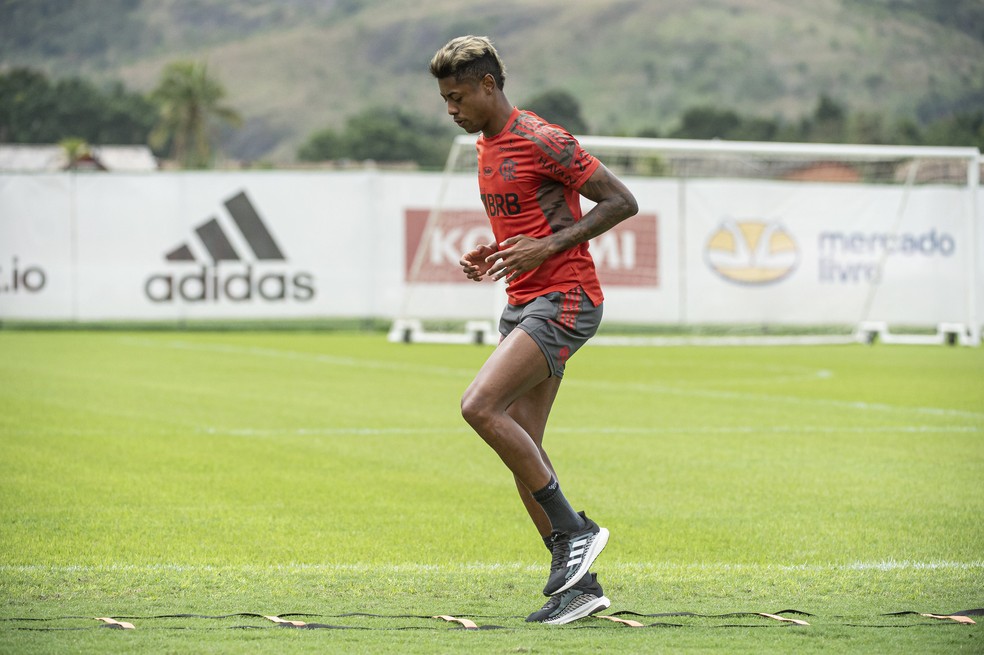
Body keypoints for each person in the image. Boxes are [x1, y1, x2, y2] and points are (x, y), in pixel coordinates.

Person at [429, 35, 639, 625]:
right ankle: (582, 586)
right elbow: (530, 219)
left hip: (565, 299)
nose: (452, 110)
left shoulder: (542, 138)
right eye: (445, 100)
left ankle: (575, 530)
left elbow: (621, 201)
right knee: (527, 451)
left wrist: (546, 247)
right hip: (524, 301)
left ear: (489, 85)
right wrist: (493, 252)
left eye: (458, 97)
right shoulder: (485, 145)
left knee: (478, 406)